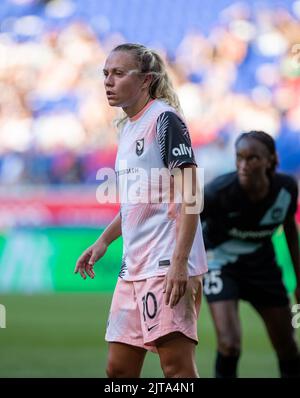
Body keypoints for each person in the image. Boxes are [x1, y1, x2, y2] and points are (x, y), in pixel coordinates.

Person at [74, 43, 207, 378]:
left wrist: (179, 263)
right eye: (106, 73)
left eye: (119, 73)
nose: (108, 81)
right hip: (133, 267)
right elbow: (140, 201)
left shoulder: (165, 119)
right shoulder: (129, 126)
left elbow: (191, 194)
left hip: (166, 264)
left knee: (177, 370)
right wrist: (104, 241)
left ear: (146, 79)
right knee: (118, 370)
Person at [201, 130, 300, 378]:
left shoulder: (286, 189)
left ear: (270, 160)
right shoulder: (217, 191)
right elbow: (186, 227)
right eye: (239, 157)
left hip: (262, 266)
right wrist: (185, 268)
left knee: (287, 346)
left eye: (252, 158)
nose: (243, 165)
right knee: (229, 344)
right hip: (219, 263)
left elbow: (290, 233)